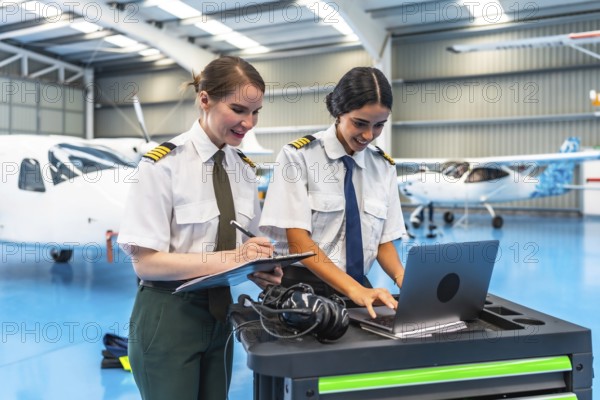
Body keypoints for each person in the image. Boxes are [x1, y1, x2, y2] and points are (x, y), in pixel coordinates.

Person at [117, 56, 282, 400]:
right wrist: (235, 257)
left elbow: (245, 247)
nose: (248, 122)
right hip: (168, 317)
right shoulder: (163, 165)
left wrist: (260, 267)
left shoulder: (243, 171)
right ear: (205, 99)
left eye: (256, 112)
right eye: (238, 109)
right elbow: (145, 262)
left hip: (221, 317)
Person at [260, 66, 406, 319]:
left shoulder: (382, 166)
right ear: (338, 112)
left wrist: (404, 279)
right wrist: (355, 290)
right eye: (359, 123)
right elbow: (298, 242)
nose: (368, 135)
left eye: (379, 125)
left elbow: (384, 240)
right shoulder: (298, 157)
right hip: (302, 286)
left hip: (358, 286)